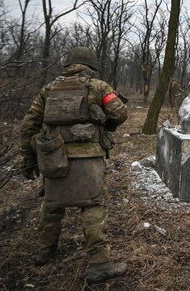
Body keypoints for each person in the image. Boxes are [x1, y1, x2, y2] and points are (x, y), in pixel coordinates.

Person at [20, 47, 128, 283]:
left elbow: (29, 124)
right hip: (87, 159)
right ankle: (100, 265)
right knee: (93, 206)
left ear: (68, 64)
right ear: (91, 65)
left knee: (52, 203)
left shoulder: (48, 89)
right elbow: (120, 113)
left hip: (53, 157)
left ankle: (44, 252)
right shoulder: (99, 87)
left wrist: (29, 159)